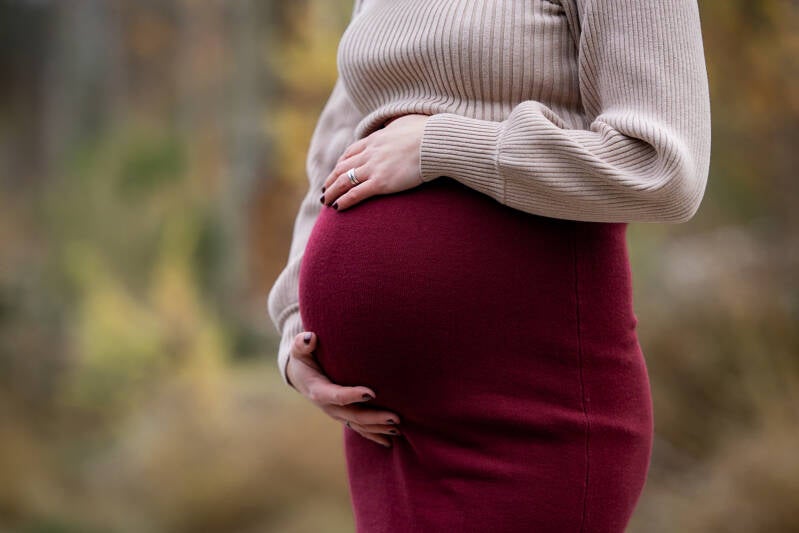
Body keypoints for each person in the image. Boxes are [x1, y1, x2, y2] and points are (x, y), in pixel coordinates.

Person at [267, 0, 711, 531]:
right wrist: (296, 326)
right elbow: (339, 157)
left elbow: (664, 168)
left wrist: (444, 144)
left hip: (529, 413)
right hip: (386, 435)